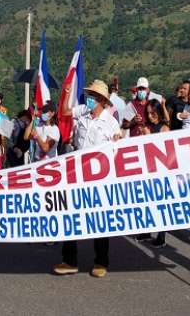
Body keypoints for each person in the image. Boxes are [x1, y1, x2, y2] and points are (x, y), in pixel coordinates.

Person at [55, 80, 121, 278]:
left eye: (94, 97)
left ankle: (101, 261)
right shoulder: (83, 111)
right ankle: (70, 260)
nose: (90, 99)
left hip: (99, 177)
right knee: (71, 215)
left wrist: (117, 141)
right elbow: (66, 112)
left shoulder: (111, 122)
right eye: (89, 95)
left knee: (99, 219)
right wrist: (66, 93)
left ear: (102, 100)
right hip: (76, 173)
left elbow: (117, 147)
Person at [135, 99, 170, 247]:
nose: (150, 116)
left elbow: (163, 151)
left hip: (160, 171)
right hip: (148, 169)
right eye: (148, 113)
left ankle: (161, 236)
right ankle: (146, 230)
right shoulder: (147, 127)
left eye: (153, 113)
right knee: (147, 201)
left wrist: (148, 136)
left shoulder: (164, 128)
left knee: (161, 203)